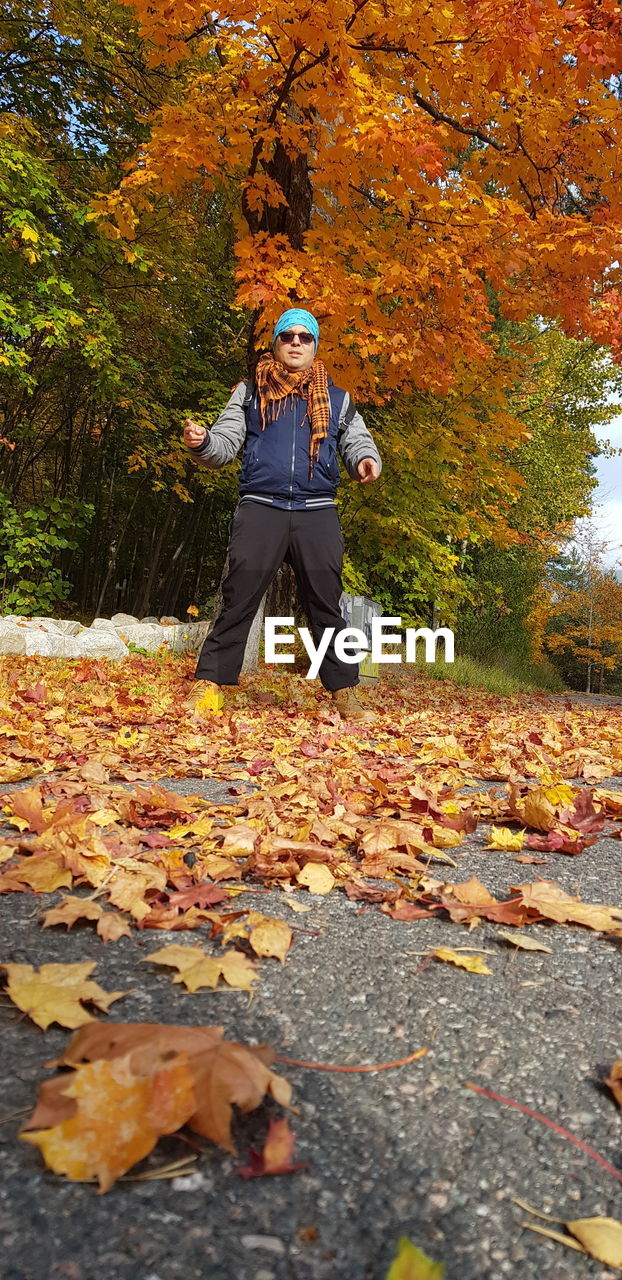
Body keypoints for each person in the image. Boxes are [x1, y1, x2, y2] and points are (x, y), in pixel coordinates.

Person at [181, 307, 382, 722]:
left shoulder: (338, 399)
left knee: (327, 604)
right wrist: (201, 443)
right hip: (261, 507)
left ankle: (346, 692)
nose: (295, 342)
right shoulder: (250, 392)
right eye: (286, 336)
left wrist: (365, 459)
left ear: (314, 346)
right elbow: (222, 445)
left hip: (317, 510)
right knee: (238, 598)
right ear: (275, 343)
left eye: (304, 337)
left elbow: (358, 441)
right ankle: (209, 684)